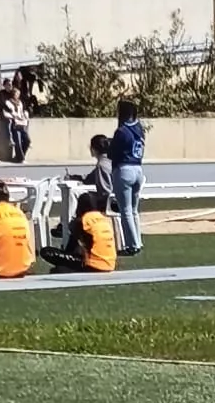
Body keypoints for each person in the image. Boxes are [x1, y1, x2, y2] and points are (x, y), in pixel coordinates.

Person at [41, 192, 117, 272]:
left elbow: (71, 246)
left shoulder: (82, 221)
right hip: (110, 264)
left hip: (92, 264)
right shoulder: (104, 220)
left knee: (47, 252)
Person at [108, 97, 146, 255]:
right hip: (138, 169)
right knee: (134, 210)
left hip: (124, 170)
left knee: (126, 210)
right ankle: (138, 241)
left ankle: (132, 245)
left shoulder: (121, 131)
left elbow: (112, 153)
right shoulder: (139, 129)